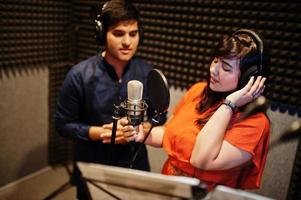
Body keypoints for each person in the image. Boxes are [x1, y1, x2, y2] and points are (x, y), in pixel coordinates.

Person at [121, 29, 271, 191]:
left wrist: (229, 104)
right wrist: (143, 133)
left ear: (248, 79)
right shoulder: (199, 91)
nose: (213, 70)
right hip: (167, 188)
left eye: (226, 68)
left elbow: (201, 159)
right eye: (215, 61)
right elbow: (169, 134)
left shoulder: (255, 124)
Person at [55, 0, 166, 198]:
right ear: (101, 34)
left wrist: (145, 127)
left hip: (135, 164)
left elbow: (159, 116)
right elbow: (63, 125)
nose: (127, 42)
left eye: (133, 34)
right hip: (94, 164)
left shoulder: (147, 73)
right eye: (118, 33)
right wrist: (101, 133)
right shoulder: (79, 75)